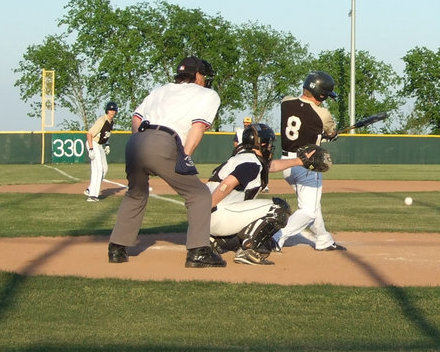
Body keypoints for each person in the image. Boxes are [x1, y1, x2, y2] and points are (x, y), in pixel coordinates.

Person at [107, 56, 226, 268]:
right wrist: (184, 156)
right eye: (203, 75)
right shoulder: (208, 94)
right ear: (197, 75)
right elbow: (197, 127)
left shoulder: (161, 89)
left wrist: (141, 145)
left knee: (135, 193)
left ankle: (117, 248)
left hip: (136, 141)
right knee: (198, 195)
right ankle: (198, 252)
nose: (205, 80)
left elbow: (136, 118)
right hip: (164, 142)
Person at [274, 70, 344, 251]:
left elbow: (308, 125)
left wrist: (321, 135)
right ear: (320, 94)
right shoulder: (323, 113)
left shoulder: (286, 102)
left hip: (286, 163)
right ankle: (275, 238)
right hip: (307, 165)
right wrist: (331, 135)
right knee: (309, 211)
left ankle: (323, 239)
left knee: (312, 204)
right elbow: (329, 131)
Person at [207, 122, 294, 265]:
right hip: (217, 215)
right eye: (269, 143)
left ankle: (218, 242)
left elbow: (270, 166)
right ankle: (248, 251)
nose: (270, 147)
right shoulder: (252, 162)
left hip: (208, 220)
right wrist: (209, 205)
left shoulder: (242, 158)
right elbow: (228, 183)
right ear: (262, 143)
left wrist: (299, 161)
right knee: (279, 209)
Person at [84, 101, 118, 201]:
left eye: (114, 110)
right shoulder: (102, 120)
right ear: (107, 111)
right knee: (98, 169)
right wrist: (90, 149)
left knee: (105, 168)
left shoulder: (111, 122)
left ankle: (90, 189)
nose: (112, 112)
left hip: (99, 145)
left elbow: (106, 135)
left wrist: (107, 144)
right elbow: (89, 134)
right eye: (110, 110)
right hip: (93, 143)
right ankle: (92, 196)